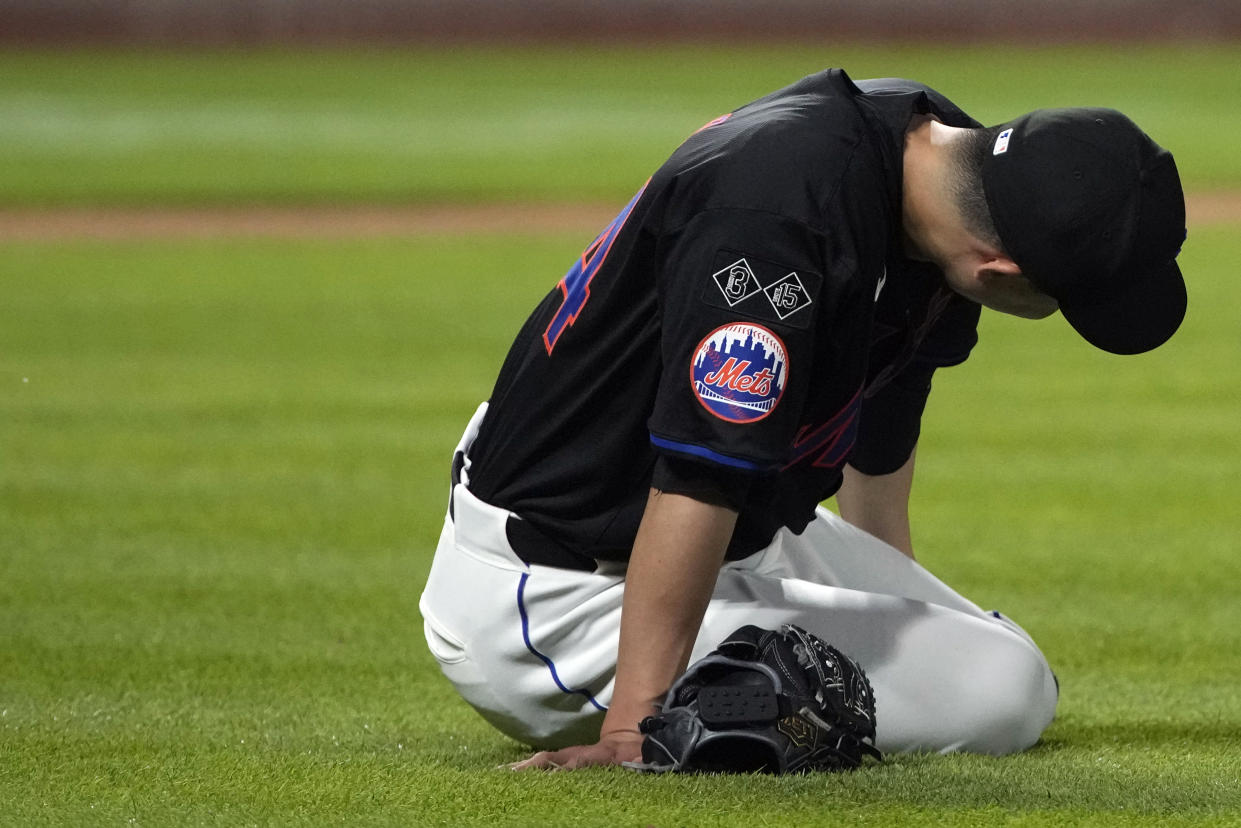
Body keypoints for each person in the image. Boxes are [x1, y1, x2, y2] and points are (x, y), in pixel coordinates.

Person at [419, 69, 1188, 770]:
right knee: (1006, 689)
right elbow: (698, 474)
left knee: (1004, 661)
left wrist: (898, 599)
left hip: (730, 528)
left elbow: (887, 403)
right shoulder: (777, 217)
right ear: (1000, 271)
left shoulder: (932, 154)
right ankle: (659, 701)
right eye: (1062, 300)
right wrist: (634, 729)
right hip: (559, 591)